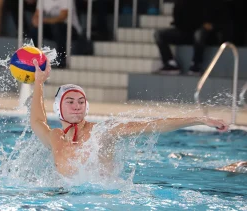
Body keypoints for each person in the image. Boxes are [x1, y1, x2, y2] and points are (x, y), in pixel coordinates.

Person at [30, 59, 229, 177]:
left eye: (81, 101)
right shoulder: (55, 137)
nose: (77, 106)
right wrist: (39, 83)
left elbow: (152, 126)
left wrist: (198, 119)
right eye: (70, 101)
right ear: (58, 107)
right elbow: (38, 121)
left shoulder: (102, 131)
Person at [154, 0, 231, 76]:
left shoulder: (210, 3)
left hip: (204, 34)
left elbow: (221, 19)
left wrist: (212, 26)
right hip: (185, 32)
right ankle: (170, 63)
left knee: (199, 34)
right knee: (159, 34)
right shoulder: (182, 3)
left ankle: (196, 65)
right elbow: (178, 19)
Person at [29, 0, 82, 68]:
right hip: (53, 29)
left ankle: (62, 60)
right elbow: (36, 15)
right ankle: (35, 59)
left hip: (71, 29)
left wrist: (43, 20)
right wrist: (35, 21)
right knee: (35, 29)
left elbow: (62, 17)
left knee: (58, 27)